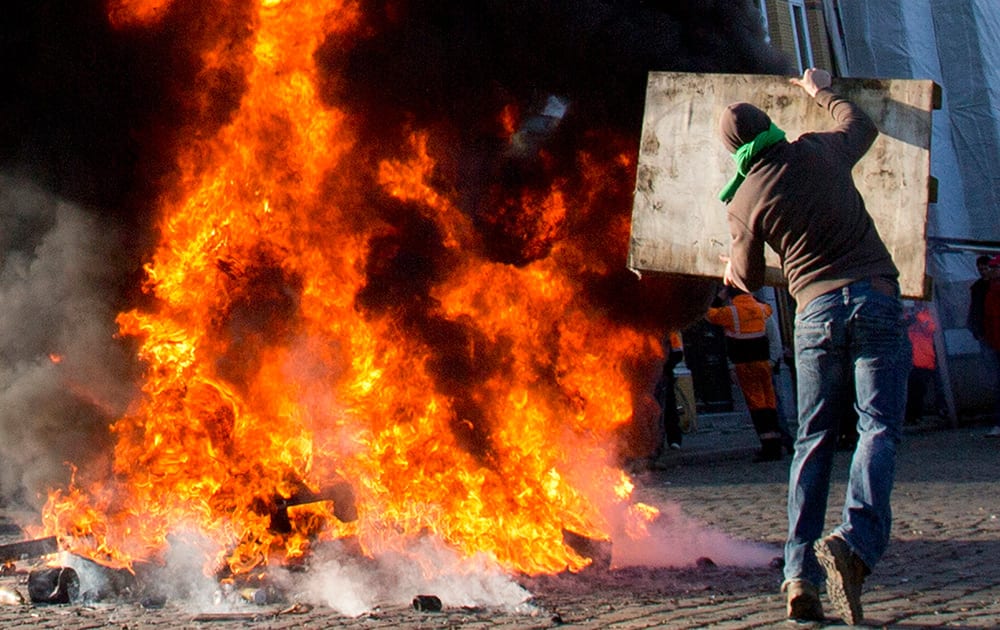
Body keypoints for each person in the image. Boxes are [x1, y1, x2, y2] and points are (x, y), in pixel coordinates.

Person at [718, 68, 910, 625]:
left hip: (816, 314)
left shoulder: (744, 200)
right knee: (878, 427)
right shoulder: (819, 151)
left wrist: (736, 263)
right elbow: (862, 124)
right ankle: (855, 543)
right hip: (874, 297)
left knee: (814, 440)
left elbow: (747, 278)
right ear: (771, 126)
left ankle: (799, 574)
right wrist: (818, 90)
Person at [706, 287, 785, 461]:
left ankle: (768, 447)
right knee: (770, 404)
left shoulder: (731, 312)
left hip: (745, 365)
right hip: (764, 363)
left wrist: (719, 297)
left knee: (757, 406)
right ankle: (776, 444)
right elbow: (771, 322)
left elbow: (709, 314)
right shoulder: (762, 309)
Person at [967, 254, 1000, 437]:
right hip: (990, 340)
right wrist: (978, 332)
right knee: (995, 383)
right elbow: (978, 313)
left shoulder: (992, 289)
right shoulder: (981, 288)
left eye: (993, 268)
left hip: (993, 340)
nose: (988, 271)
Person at [904, 302, 946, 424]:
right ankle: (911, 416)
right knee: (910, 389)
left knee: (919, 389)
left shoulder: (927, 314)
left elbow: (931, 328)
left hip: (923, 358)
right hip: (909, 358)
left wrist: (919, 315)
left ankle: (914, 415)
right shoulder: (905, 315)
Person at [652, 331, 685, 455]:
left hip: (663, 374)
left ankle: (673, 439)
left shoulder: (670, 330)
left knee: (668, 406)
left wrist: (665, 366)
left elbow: (677, 353)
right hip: (650, 375)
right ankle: (657, 443)